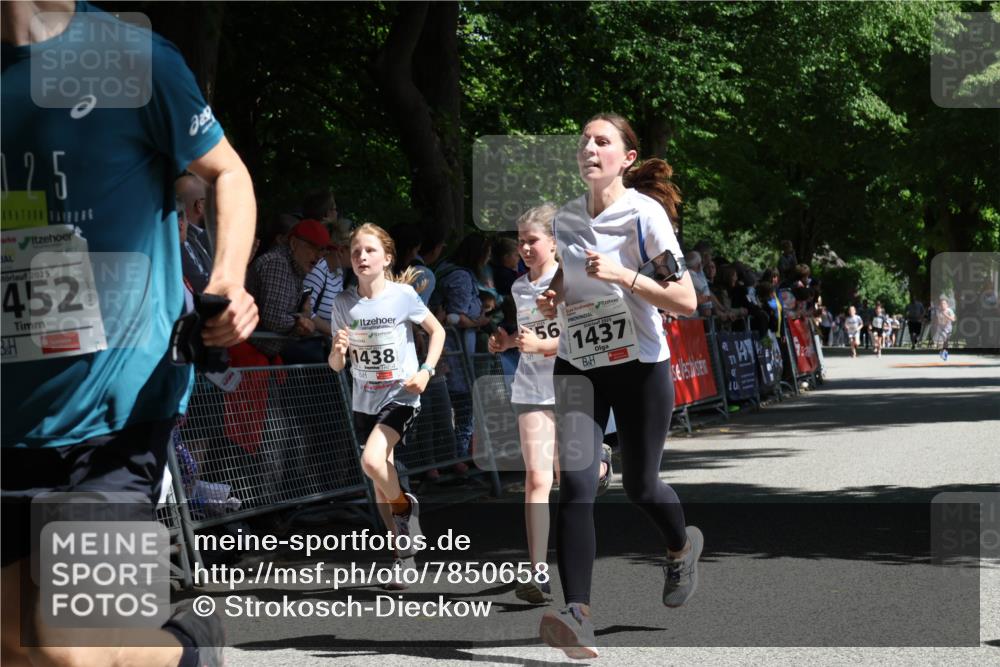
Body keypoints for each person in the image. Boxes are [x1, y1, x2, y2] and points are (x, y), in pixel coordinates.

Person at [1, 3, 259, 667]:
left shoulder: (131, 58)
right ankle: (185, 653)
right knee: (14, 644)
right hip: (11, 412)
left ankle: (188, 648)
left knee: (71, 649)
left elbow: (226, 172)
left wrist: (226, 280)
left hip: (118, 406)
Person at [534, 113, 700, 659]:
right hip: (580, 362)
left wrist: (624, 276)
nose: (588, 147)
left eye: (601, 141)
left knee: (640, 487)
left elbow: (685, 300)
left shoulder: (644, 215)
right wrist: (556, 292)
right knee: (576, 486)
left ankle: (680, 546)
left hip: (640, 365)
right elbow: (570, 271)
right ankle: (576, 614)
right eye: (583, 139)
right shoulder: (565, 218)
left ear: (626, 158)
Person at [487, 205, 612, 605]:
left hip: (573, 386)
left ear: (555, 242)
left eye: (532, 240)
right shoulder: (519, 287)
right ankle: (537, 573)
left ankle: (601, 461)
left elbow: (592, 335)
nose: (524, 248)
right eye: (520, 241)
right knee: (537, 480)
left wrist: (545, 345)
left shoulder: (576, 281)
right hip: (531, 389)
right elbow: (525, 331)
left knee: (572, 479)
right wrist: (506, 343)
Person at [328, 223, 445, 586]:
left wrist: (426, 371)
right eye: (356, 252)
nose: (362, 257)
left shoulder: (402, 296)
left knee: (371, 462)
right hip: (364, 398)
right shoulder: (343, 303)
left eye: (370, 251)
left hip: (401, 395)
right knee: (381, 481)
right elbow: (336, 365)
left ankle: (406, 508)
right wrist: (338, 350)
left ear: (387, 257)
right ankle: (403, 557)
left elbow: (437, 332)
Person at [933, 296, 956, 361]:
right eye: (941, 304)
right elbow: (937, 320)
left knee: (946, 342)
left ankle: (943, 352)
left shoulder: (950, 311)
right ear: (940, 305)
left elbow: (953, 319)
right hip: (941, 328)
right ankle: (944, 353)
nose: (943, 305)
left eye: (944, 303)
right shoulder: (938, 311)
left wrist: (946, 315)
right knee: (943, 340)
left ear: (947, 305)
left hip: (948, 328)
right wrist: (935, 326)